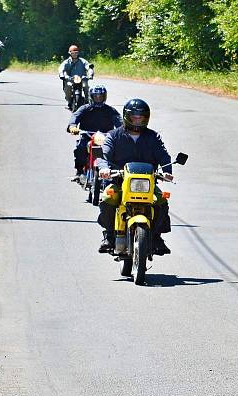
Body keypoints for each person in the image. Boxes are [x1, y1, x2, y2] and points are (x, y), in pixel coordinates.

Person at [96, 98, 174, 256]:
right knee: (107, 198)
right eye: (134, 117)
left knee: (161, 201)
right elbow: (103, 156)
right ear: (126, 116)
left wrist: (167, 171)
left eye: (141, 117)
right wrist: (104, 168)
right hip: (119, 181)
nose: (138, 120)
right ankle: (110, 235)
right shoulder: (114, 136)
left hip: (147, 184)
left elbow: (164, 156)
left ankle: (156, 236)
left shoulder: (153, 137)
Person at [66, 85, 121, 181]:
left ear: (105, 97)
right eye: (96, 96)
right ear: (91, 96)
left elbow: (120, 122)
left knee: (117, 151)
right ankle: (79, 172)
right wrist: (72, 126)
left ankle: (115, 172)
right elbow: (75, 117)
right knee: (80, 148)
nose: (98, 98)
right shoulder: (84, 108)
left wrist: (124, 131)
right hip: (87, 136)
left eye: (101, 96)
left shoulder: (110, 110)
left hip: (106, 138)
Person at [58, 45, 91, 110]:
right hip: (70, 79)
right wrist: (62, 75)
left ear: (78, 53)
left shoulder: (83, 61)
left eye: (76, 52)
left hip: (82, 79)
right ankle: (69, 102)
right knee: (68, 87)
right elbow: (61, 68)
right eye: (73, 53)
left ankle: (87, 101)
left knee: (86, 86)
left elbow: (89, 67)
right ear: (70, 53)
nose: (74, 54)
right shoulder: (66, 62)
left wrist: (90, 74)